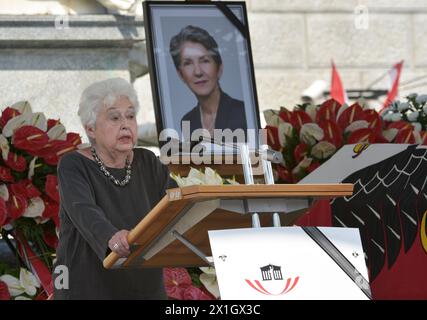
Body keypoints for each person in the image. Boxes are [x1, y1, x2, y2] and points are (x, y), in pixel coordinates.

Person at [53, 78, 176, 299]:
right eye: (114, 117)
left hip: (145, 285)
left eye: (130, 116)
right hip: (88, 285)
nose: (126, 124)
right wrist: (112, 237)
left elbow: (175, 204)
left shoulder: (148, 161)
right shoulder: (73, 165)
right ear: (90, 128)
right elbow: (84, 211)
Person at [169, 25, 247, 137]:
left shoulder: (243, 113)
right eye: (188, 63)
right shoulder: (187, 122)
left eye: (204, 61)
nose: (198, 72)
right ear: (181, 75)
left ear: (219, 68)